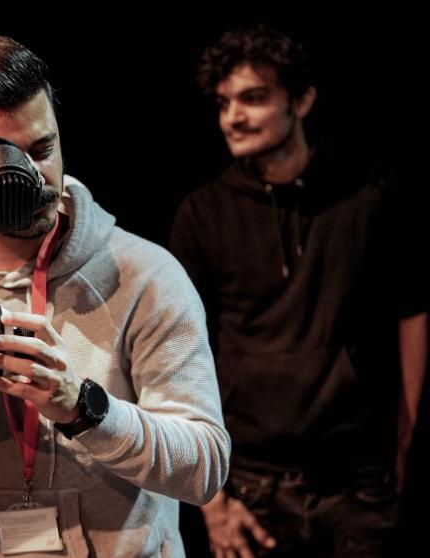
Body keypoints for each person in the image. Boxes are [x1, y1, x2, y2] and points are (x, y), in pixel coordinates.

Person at [0, 35, 230, 557]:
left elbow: (205, 467)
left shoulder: (145, 275)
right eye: (1, 160)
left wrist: (83, 407)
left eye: (43, 149)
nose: (34, 178)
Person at [170, 24, 428, 557]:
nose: (232, 117)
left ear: (302, 100)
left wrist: (408, 438)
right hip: (253, 486)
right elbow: (175, 356)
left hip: (360, 482)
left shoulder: (368, 199)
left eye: (253, 98)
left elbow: (411, 311)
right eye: (223, 103)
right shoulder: (203, 213)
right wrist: (212, 501)